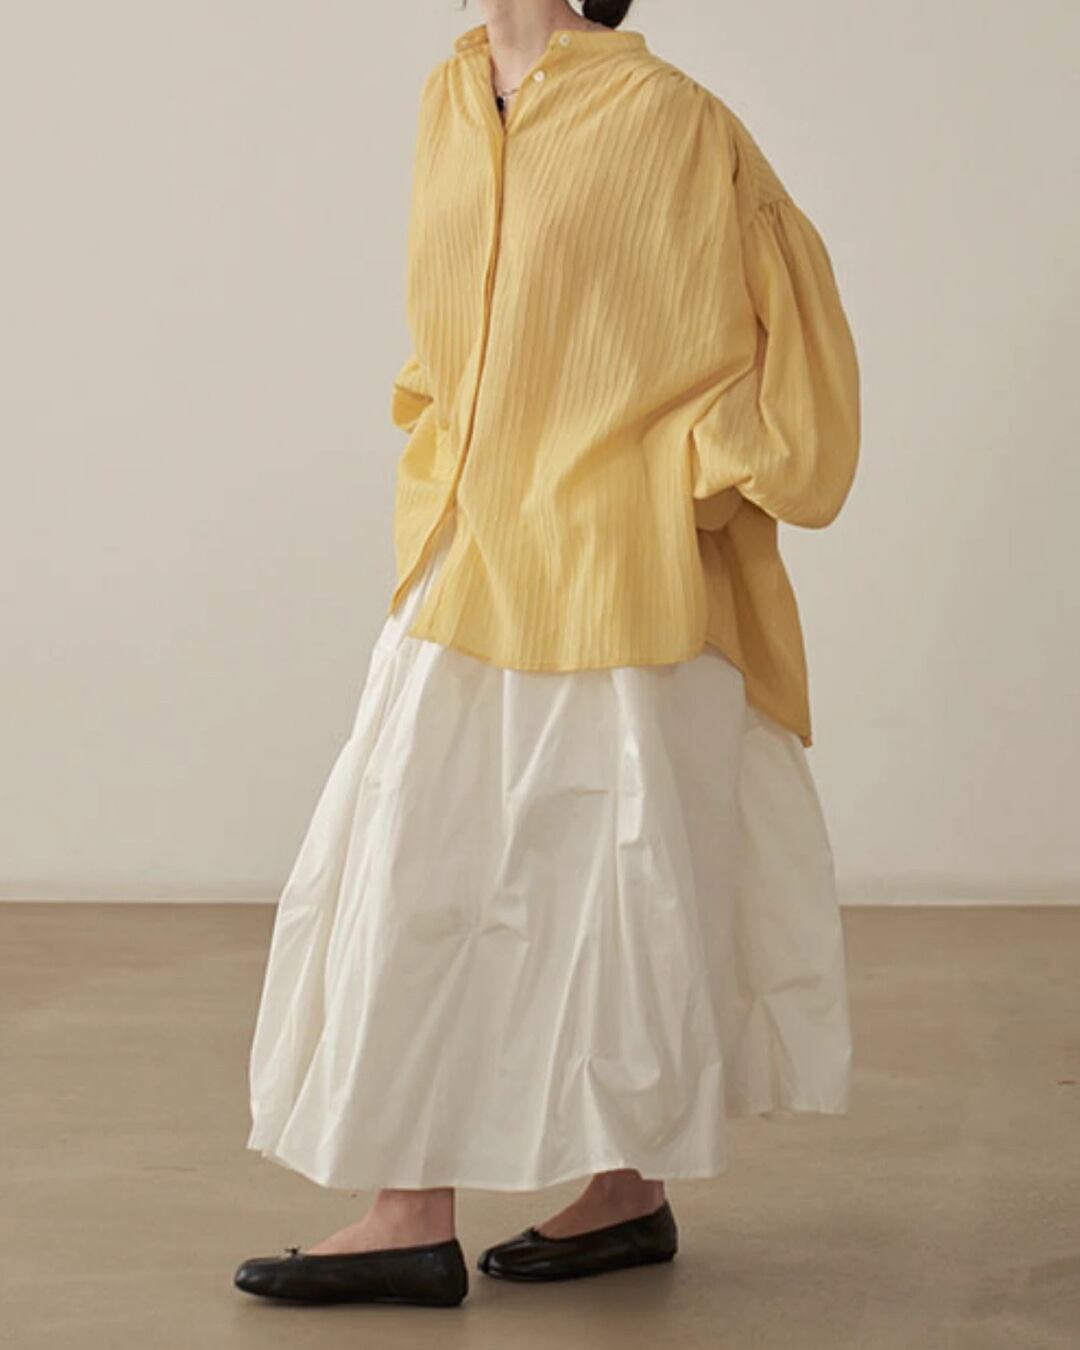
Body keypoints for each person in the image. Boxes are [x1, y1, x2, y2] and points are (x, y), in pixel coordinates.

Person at [234, 0, 860, 1309]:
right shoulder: (448, 100)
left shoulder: (671, 118)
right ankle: (409, 1209)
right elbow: (450, 334)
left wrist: (679, 476)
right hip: (469, 545)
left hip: (619, 569)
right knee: (416, 864)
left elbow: (781, 339)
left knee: (615, 888)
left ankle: (621, 1191)